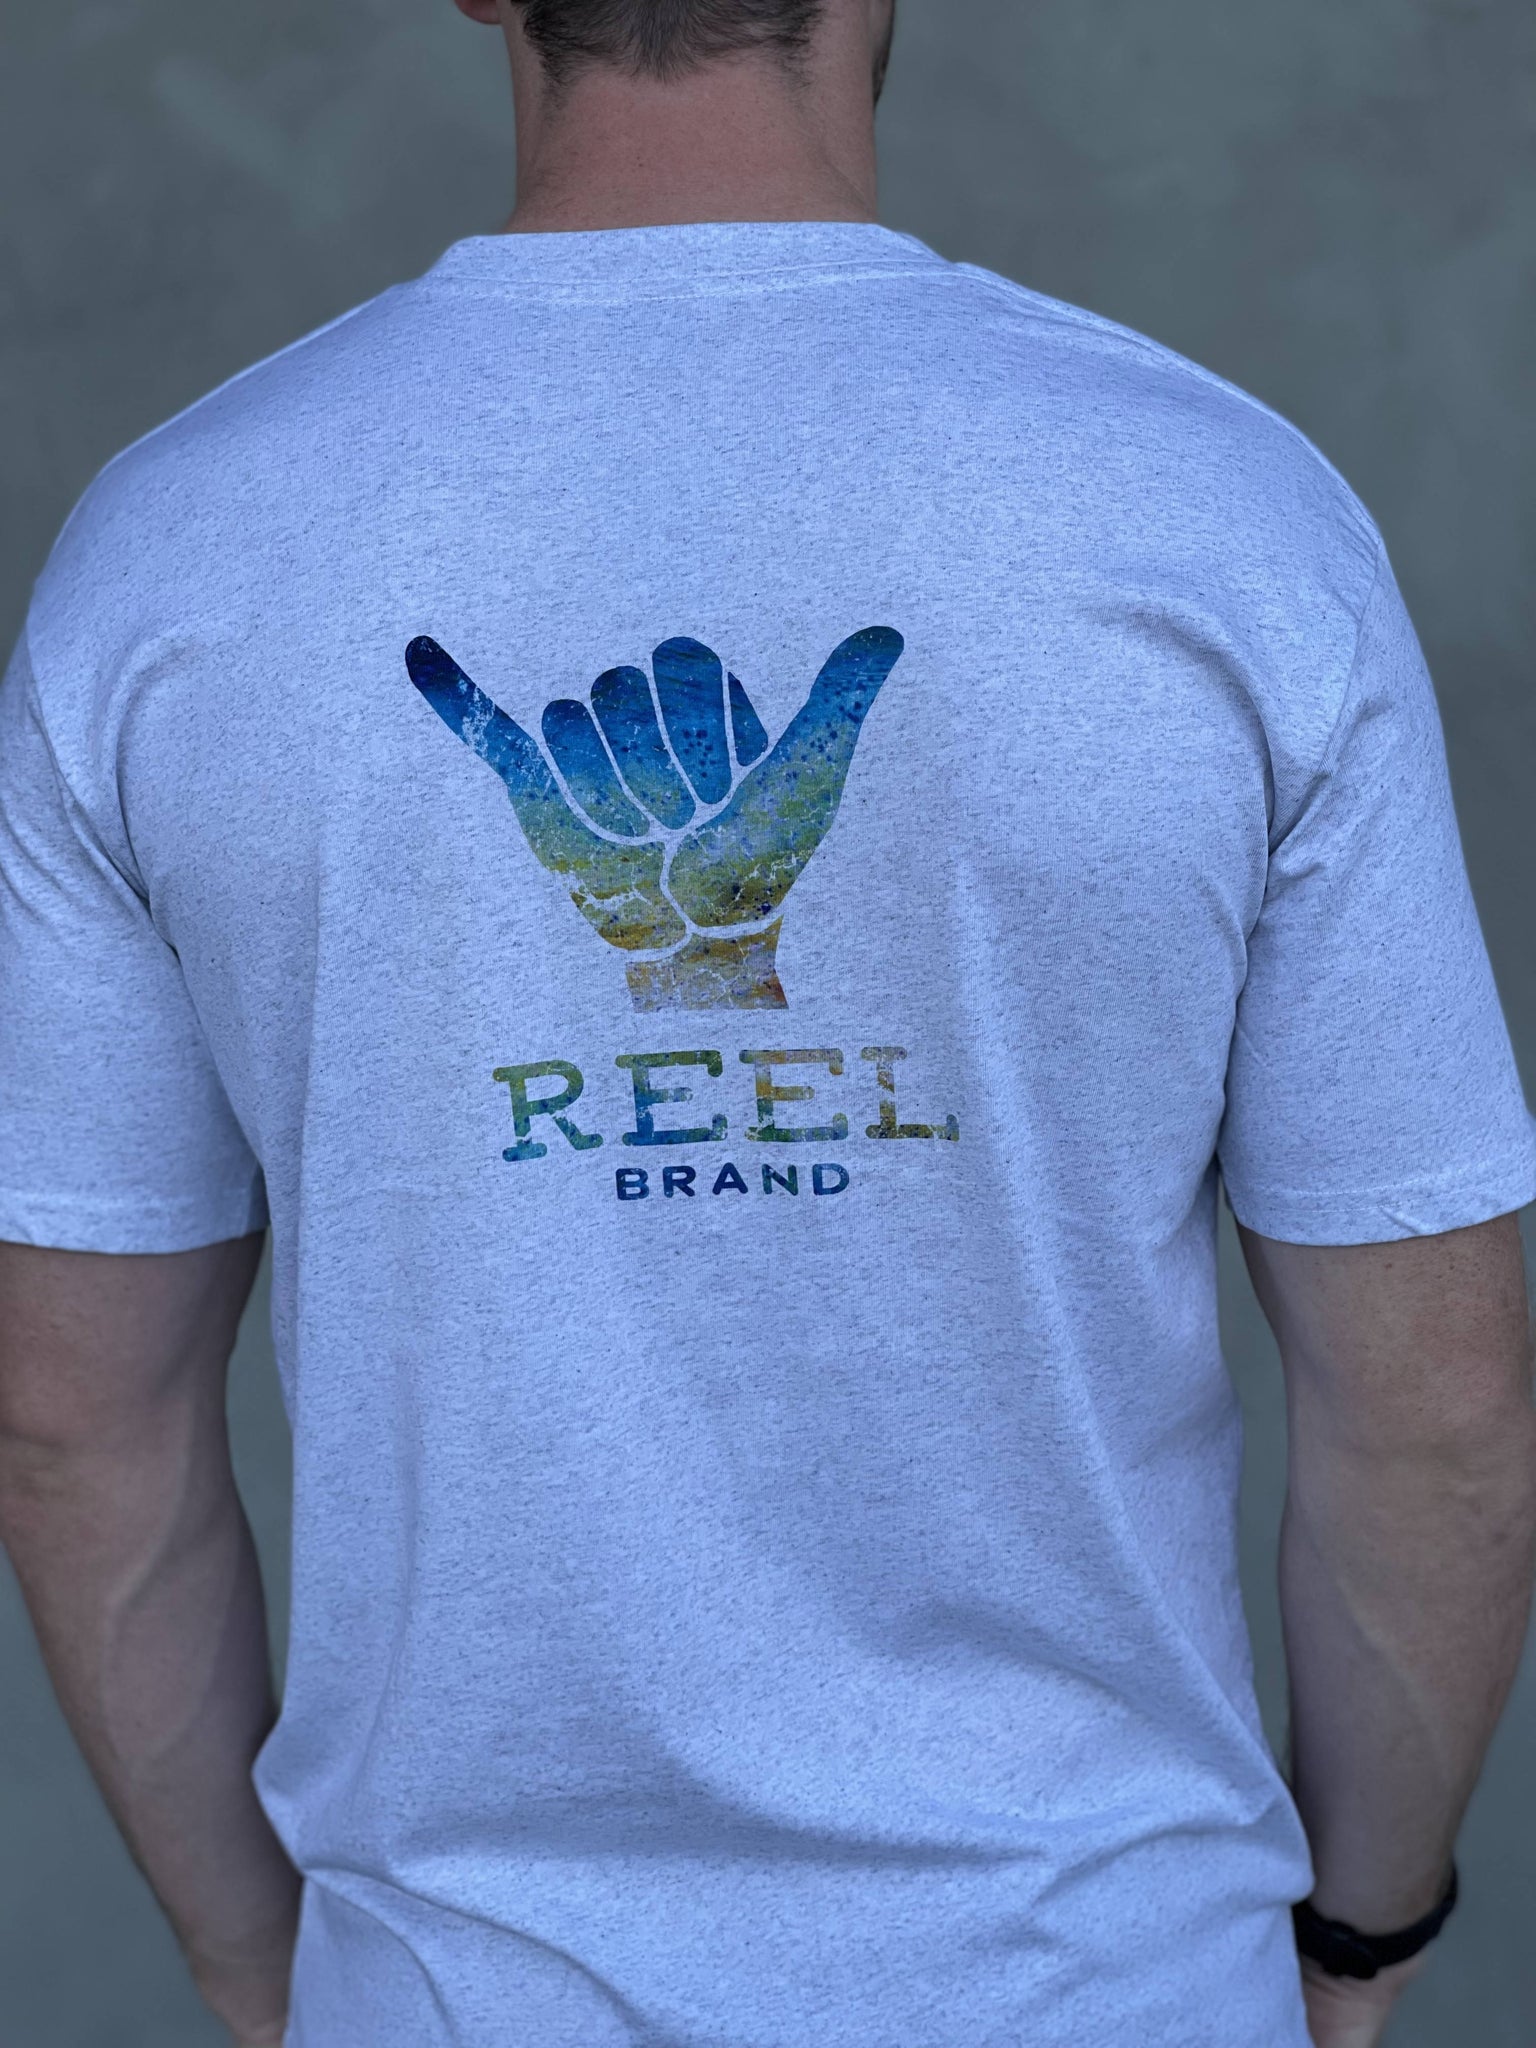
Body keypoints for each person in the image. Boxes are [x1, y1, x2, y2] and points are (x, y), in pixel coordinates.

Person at [1, 1, 1532, 2042]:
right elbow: (1436, 1412)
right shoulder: (1227, 522)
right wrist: (1356, 1940)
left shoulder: (171, 562)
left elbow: (73, 1419)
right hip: (1109, 1987)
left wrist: (252, 1962)